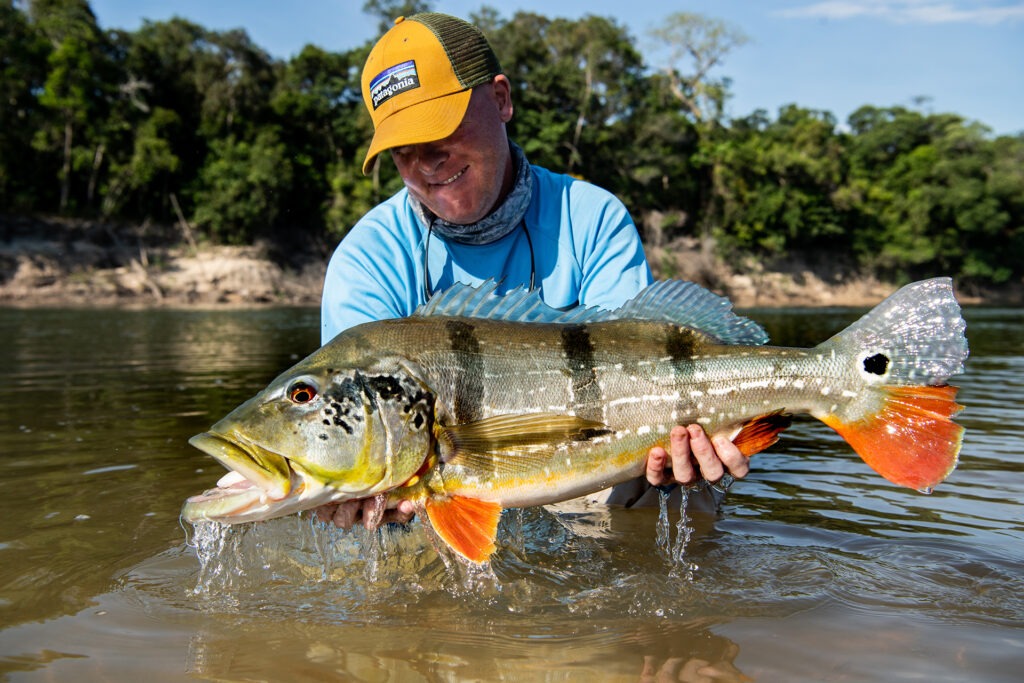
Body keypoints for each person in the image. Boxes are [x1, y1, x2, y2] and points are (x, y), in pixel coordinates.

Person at [316, 12, 749, 530]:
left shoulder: (592, 216)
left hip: (590, 464)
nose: (425, 161)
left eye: (440, 129)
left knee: (672, 480)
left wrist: (704, 446)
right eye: (401, 150)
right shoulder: (365, 258)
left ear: (501, 99)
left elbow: (651, 362)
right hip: (443, 485)